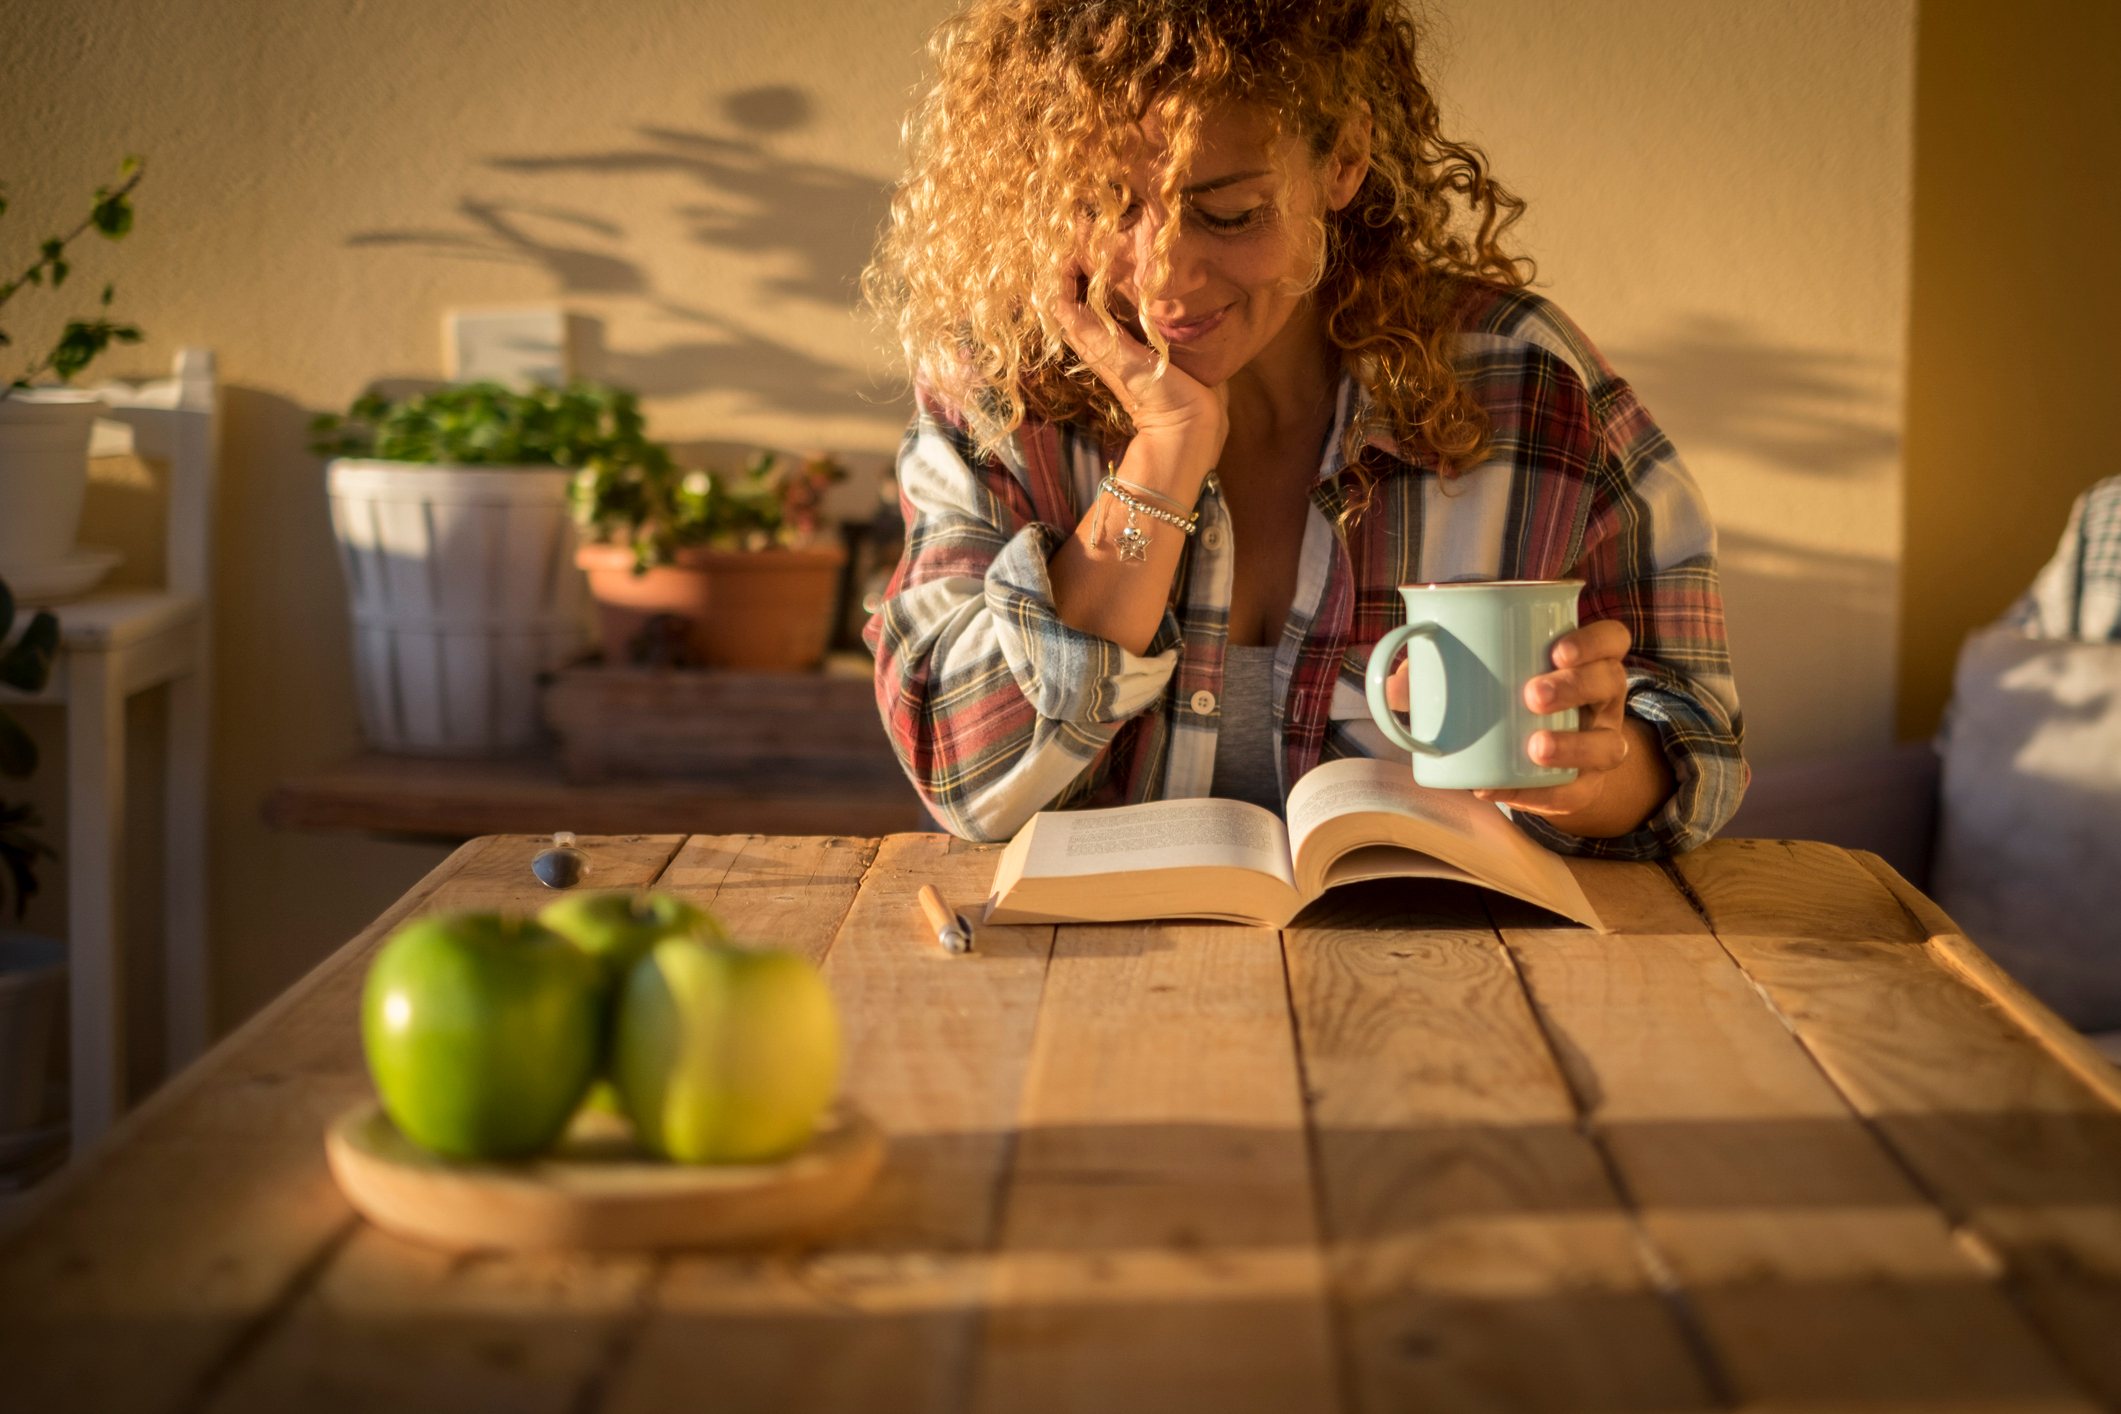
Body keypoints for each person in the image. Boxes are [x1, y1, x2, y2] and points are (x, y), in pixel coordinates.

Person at [861, 0, 1744, 858]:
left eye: (1228, 213)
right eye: (1107, 205)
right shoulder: (1002, 392)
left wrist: (1594, 780)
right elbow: (965, 775)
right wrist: (1162, 458)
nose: (1163, 277)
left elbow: (1696, 743)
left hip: (1447, 978)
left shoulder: (1520, 378)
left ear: (1344, 157)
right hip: (1088, 987)